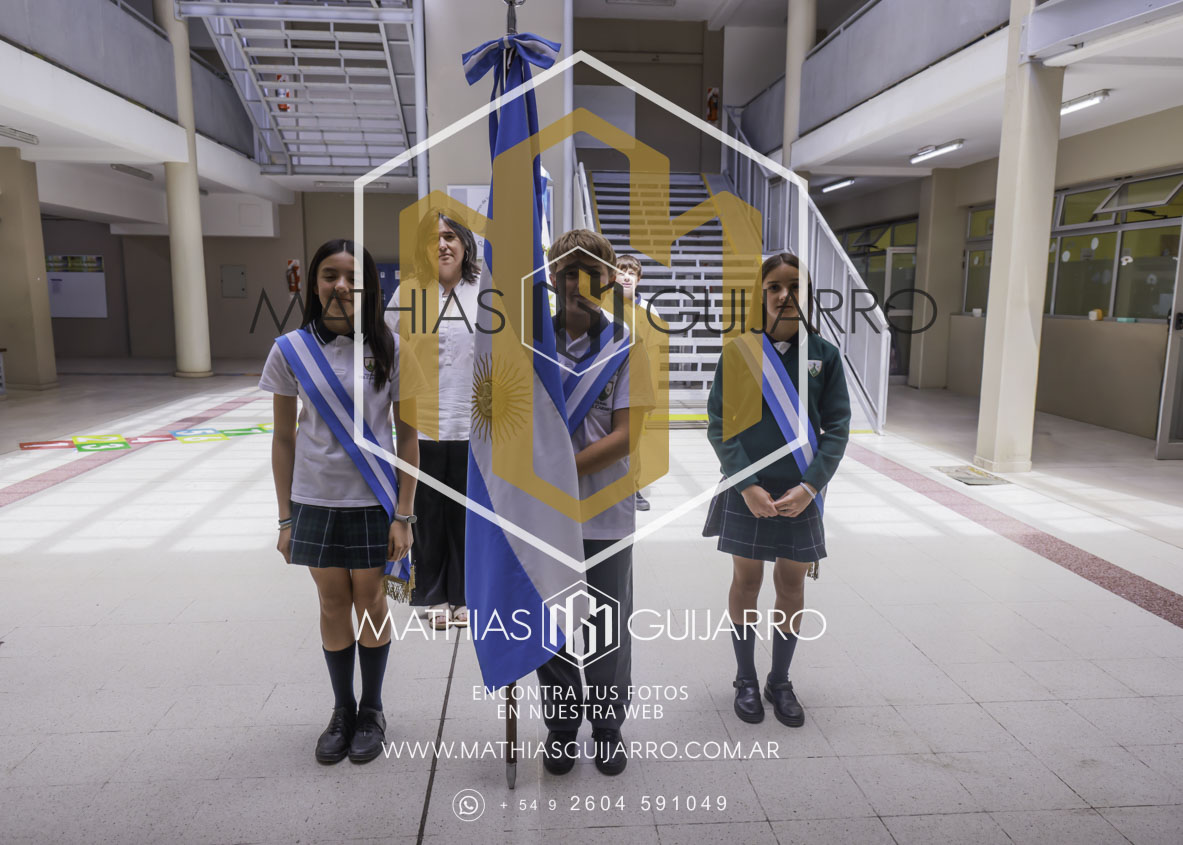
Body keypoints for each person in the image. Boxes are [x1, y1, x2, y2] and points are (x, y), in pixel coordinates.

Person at [261, 239, 420, 764]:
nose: (341, 286)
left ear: (370, 288)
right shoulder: (290, 350)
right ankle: (342, 710)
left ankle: (372, 709)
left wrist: (404, 514)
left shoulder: (392, 348)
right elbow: (283, 438)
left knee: (371, 601)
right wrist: (285, 518)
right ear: (314, 283)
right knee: (331, 603)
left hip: (373, 500)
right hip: (314, 498)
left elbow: (409, 438)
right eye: (330, 275)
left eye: (353, 277)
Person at [703, 252, 850, 728]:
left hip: (802, 490)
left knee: (791, 585)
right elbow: (719, 425)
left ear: (808, 295)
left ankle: (779, 681)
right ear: (761, 294)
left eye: (795, 287)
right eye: (775, 287)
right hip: (749, 488)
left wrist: (811, 486)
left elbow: (838, 429)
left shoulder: (825, 356)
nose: (785, 295)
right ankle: (745, 679)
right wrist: (746, 485)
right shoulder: (739, 352)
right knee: (746, 583)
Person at [537, 229, 653, 777]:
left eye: (590, 272)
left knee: (607, 622)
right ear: (551, 277)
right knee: (551, 623)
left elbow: (626, 436)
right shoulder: (531, 345)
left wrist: (560, 472)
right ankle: (561, 727)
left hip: (605, 510)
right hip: (543, 513)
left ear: (608, 280)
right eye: (567, 272)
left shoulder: (627, 346)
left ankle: (607, 726)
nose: (577, 282)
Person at [408, 214, 480, 630]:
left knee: (467, 516)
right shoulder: (408, 292)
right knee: (426, 516)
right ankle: (432, 595)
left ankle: (466, 594)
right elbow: (389, 353)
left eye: (450, 236)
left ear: (465, 244)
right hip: (421, 427)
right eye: (433, 238)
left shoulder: (486, 292)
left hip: (475, 427)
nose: (442, 245)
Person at [614, 254, 651, 513]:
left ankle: (633, 487)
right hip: (610, 381)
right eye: (621, 272)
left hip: (636, 384)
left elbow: (654, 351)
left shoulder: (650, 311)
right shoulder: (603, 306)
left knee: (634, 439)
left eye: (631, 273)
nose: (626, 277)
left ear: (639, 278)